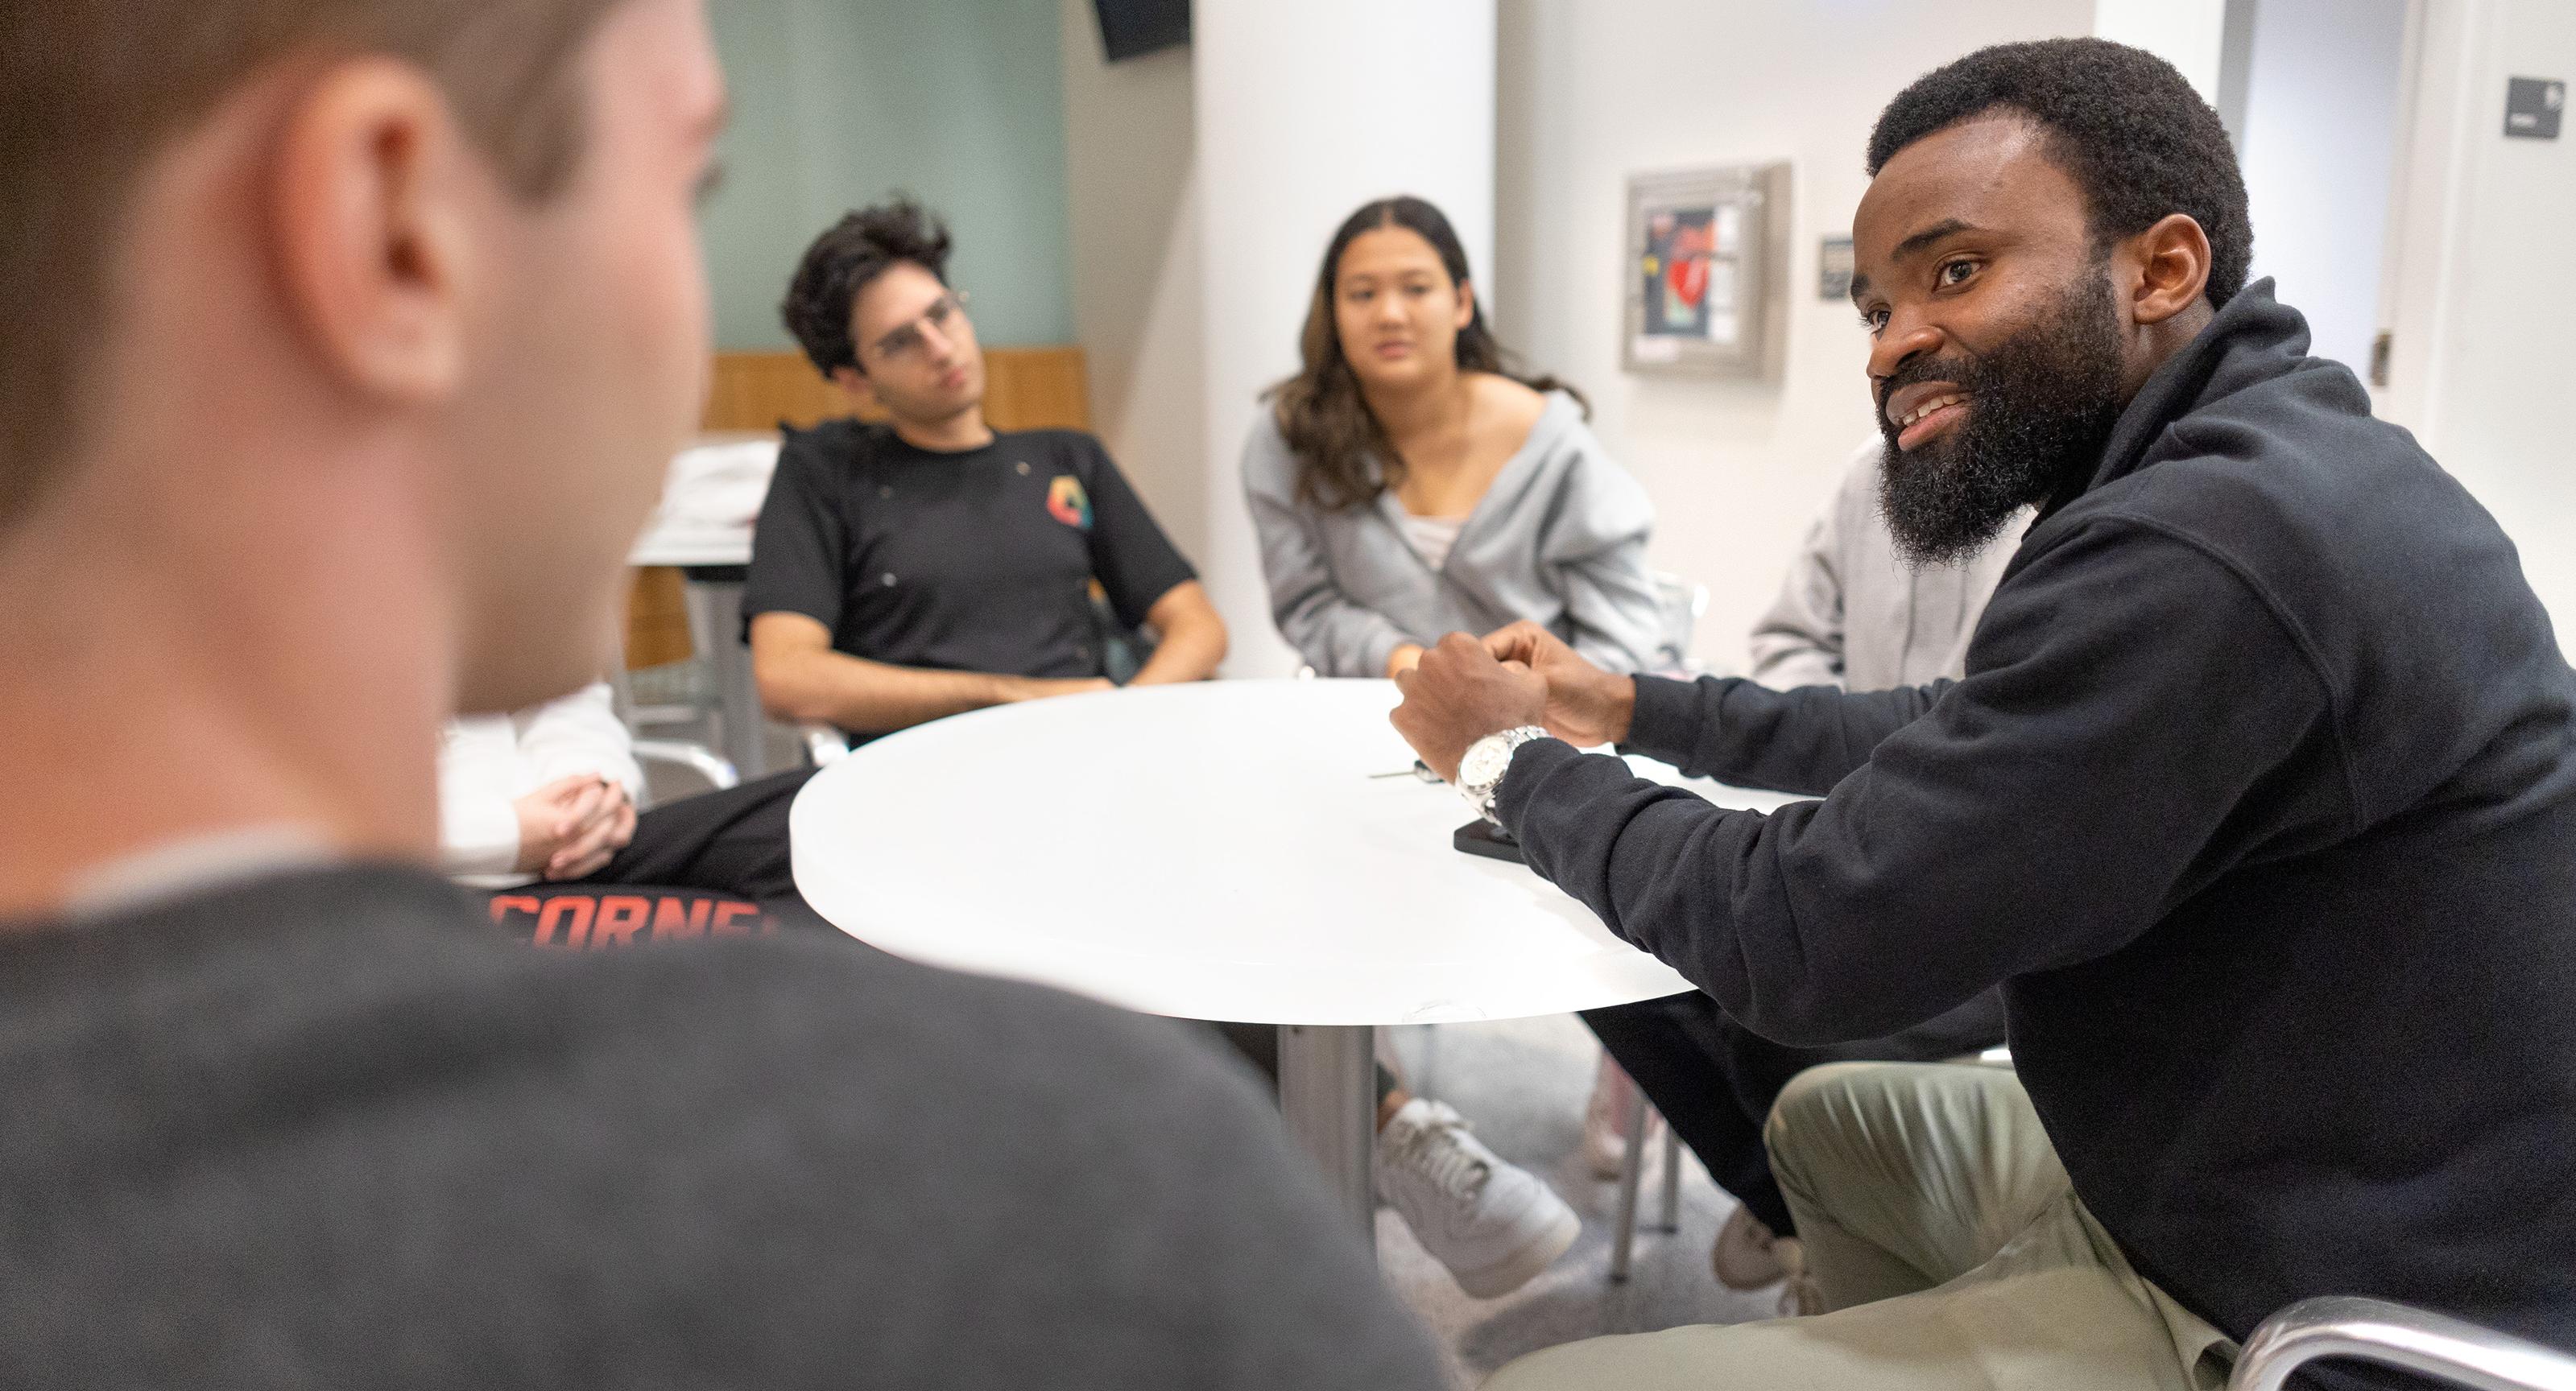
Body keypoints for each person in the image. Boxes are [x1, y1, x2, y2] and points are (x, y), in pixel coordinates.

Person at [0, 2, 1446, 1385]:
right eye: (686, 185)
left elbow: (1179, 617)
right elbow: (788, 670)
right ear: (393, 239)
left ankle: (1395, 1122)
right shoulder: (1112, 1193)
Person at [1390, 36, 2576, 1391]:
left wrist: (1505, 755)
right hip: (2245, 1167)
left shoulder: (2211, 546)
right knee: (1835, 1122)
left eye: (1952, 272)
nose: (1893, 344)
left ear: (2159, 267)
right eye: (1873, 306)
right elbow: (1953, 726)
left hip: (2323, 1303)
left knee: (1548, 1382)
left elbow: (1802, 932)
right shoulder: (2243, 463)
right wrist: (1623, 702)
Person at [1584, 442, 2020, 1303]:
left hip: (1999, 891)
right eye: (1876, 315)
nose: (1895, 348)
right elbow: (1791, 640)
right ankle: (1800, 1216)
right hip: (1859, 824)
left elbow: (1983, 740)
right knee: (1625, 956)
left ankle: (1825, 1224)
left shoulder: (2082, 504)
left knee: (1780, 1020)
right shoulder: (1874, 474)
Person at [747, 199, 1226, 744]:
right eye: (900, 341)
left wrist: (1122, 721)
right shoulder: (825, 474)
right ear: (855, 379)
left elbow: (1197, 625)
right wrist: (1004, 697)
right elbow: (785, 675)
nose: (940, 347)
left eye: (942, 312)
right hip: (917, 774)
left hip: (1082, 752)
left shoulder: (1067, 460)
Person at [1243, 195, 1668, 682]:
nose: (1390, 314)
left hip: (1543, 730)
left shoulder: (1549, 442)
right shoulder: (1289, 437)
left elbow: (1624, 629)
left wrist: (1530, 701)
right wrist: (1405, 664)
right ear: (1333, 312)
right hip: (1366, 714)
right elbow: (1306, 605)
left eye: (1417, 289)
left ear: (1462, 303)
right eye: (1362, 294)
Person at [440, 681, 821, 943]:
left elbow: (566, 693)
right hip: (434, 883)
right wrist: (510, 836)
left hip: (570, 847)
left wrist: (592, 798)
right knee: (761, 947)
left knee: (810, 820)